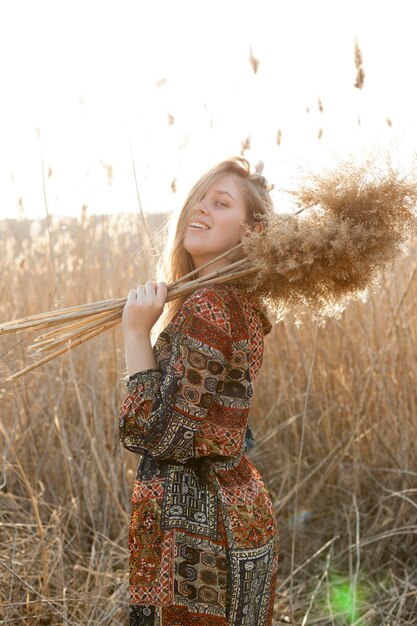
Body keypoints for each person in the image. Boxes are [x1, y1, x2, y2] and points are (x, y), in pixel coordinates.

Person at [119, 156, 279, 626]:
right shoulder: (242, 301)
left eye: (221, 203)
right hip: (239, 509)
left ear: (252, 232)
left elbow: (156, 435)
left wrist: (135, 334)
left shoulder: (210, 306)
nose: (200, 210)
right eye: (200, 199)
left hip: (201, 530)